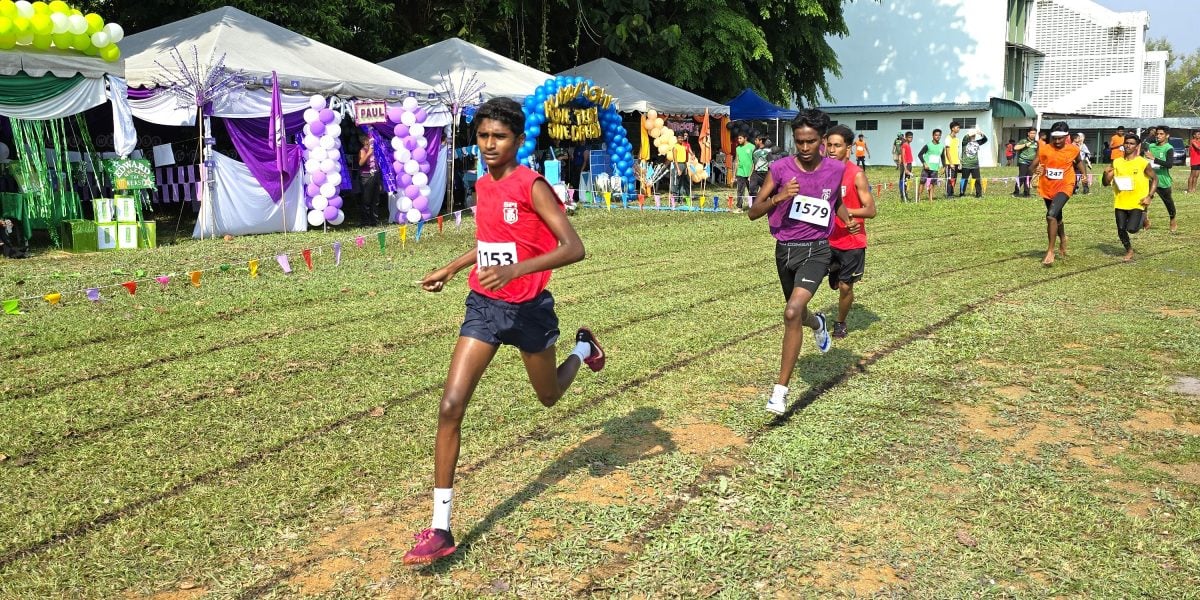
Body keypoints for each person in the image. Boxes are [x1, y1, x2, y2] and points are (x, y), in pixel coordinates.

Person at [405, 97, 606, 565]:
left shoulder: (532, 185)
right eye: (483, 136)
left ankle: (582, 348)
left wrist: (516, 271)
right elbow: (489, 243)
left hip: (529, 310)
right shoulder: (482, 183)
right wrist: (452, 267)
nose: (489, 144)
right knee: (451, 405)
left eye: (499, 137)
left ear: (518, 140)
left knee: (549, 396)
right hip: (484, 306)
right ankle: (440, 528)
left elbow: (574, 248)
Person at [749, 108, 857, 415]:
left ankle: (779, 392)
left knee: (791, 311)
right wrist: (780, 197)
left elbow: (834, 200)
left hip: (817, 250)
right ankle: (818, 322)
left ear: (822, 140)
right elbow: (754, 212)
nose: (805, 147)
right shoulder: (780, 169)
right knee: (798, 314)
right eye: (799, 141)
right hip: (785, 250)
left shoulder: (835, 169)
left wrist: (846, 219)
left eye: (811, 141)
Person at [823, 125, 876, 339]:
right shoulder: (821, 172)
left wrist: (845, 212)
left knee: (845, 287)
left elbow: (870, 210)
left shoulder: (856, 174)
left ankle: (840, 322)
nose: (831, 150)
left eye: (837, 145)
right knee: (812, 279)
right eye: (829, 145)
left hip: (852, 241)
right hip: (826, 240)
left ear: (848, 148)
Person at [1029, 121, 1084, 266]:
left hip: (1066, 185)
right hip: (1048, 186)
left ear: (1067, 137)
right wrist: (1036, 170)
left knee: (1051, 215)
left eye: (1061, 138)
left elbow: (1079, 161)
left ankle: (1050, 251)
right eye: (1055, 138)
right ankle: (1063, 237)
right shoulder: (1044, 149)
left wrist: (1084, 174)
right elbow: (1032, 166)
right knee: (1056, 217)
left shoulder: (1073, 149)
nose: (1058, 141)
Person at [1104, 132, 1156, 262]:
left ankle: (1144, 217)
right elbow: (1105, 183)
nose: (1128, 146)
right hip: (1121, 200)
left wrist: (1150, 196)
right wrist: (1106, 174)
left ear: (1137, 146)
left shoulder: (1142, 163)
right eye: (1126, 143)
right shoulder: (1117, 162)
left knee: (1132, 229)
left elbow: (1155, 179)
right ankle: (1129, 250)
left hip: (1138, 202)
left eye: (1132, 144)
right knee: (1121, 228)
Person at [1144, 125, 1178, 232]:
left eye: (1161, 134)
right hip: (1149, 178)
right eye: (1157, 134)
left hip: (1162, 179)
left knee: (1168, 202)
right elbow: (1146, 161)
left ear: (1167, 135)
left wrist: (1154, 159)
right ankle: (1145, 220)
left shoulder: (1169, 148)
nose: (1158, 136)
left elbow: (1169, 164)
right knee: (1144, 199)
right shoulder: (1151, 146)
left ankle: (1172, 219)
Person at [358, 132, 382, 226]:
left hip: (376, 175)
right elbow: (360, 163)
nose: (371, 142)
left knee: (375, 200)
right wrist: (368, 153)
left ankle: (374, 221)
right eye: (369, 140)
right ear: (364, 141)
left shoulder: (376, 151)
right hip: (366, 176)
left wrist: (380, 182)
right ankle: (365, 221)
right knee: (366, 200)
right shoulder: (363, 150)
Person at [917, 128, 946, 202]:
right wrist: (924, 163)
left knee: (932, 183)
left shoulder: (941, 146)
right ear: (933, 136)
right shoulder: (928, 145)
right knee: (922, 182)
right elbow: (920, 154)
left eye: (939, 135)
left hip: (935, 169)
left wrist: (944, 167)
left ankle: (930, 199)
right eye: (936, 135)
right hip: (926, 168)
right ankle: (918, 198)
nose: (938, 136)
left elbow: (943, 157)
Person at [959, 128, 988, 198]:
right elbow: (966, 136)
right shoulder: (965, 142)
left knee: (977, 180)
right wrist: (973, 132)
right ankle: (962, 193)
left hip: (975, 165)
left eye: (974, 135)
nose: (973, 136)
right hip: (966, 165)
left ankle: (979, 194)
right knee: (964, 179)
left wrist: (980, 133)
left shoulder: (977, 142)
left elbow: (985, 139)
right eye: (972, 135)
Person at [1012, 128, 1037, 197]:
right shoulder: (1023, 141)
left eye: (1034, 133)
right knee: (1022, 177)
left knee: (1029, 178)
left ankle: (1026, 193)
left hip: (1032, 163)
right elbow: (1015, 148)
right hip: (1023, 161)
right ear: (1028, 133)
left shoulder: (1036, 143)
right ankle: (1016, 192)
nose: (1033, 135)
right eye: (1031, 133)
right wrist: (1025, 145)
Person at [733, 133, 755, 209]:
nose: (739, 140)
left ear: (745, 138)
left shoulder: (752, 147)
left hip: (750, 173)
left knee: (751, 191)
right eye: (738, 138)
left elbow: (754, 161)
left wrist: (751, 173)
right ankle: (739, 207)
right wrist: (734, 175)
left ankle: (753, 206)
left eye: (740, 138)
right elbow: (736, 161)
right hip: (740, 172)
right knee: (740, 190)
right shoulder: (738, 148)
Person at [670, 130, 691, 202]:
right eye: (679, 138)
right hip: (677, 165)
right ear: (677, 138)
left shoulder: (684, 147)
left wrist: (686, 168)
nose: (681, 139)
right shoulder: (675, 147)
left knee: (682, 183)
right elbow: (675, 159)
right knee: (676, 183)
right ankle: (675, 199)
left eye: (682, 138)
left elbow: (685, 158)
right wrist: (678, 169)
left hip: (684, 165)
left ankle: (680, 198)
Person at [944, 121, 962, 197]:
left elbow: (957, 151)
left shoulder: (957, 139)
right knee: (949, 179)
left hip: (956, 162)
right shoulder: (948, 138)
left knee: (954, 179)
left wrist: (959, 161)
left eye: (959, 127)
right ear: (952, 128)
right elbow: (947, 152)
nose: (958, 129)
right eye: (957, 127)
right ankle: (948, 194)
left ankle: (952, 193)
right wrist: (951, 163)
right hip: (949, 163)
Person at [899, 131, 914, 202]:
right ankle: (903, 196)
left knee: (907, 180)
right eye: (909, 137)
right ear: (906, 137)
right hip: (905, 165)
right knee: (903, 180)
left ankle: (906, 194)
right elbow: (903, 156)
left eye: (911, 137)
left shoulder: (908, 144)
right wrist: (905, 168)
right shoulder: (904, 145)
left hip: (909, 164)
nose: (910, 139)